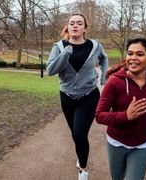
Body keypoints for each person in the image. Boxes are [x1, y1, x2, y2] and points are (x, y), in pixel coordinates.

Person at [95, 37, 146, 180]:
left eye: (140, 54)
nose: (133, 58)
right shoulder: (114, 82)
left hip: (143, 143)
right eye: (130, 53)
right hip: (116, 141)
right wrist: (126, 116)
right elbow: (99, 116)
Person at [46, 13, 108, 180]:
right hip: (66, 97)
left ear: (84, 28)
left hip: (89, 96)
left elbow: (104, 59)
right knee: (75, 133)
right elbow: (51, 70)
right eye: (72, 23)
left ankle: (83, 168)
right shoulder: (59, 47)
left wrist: (103, 78)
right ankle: (81, 155)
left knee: (80, 134)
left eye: (79, 23)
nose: (75, 25)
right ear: (68, 26)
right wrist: (65, 53)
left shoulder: (95, 46)